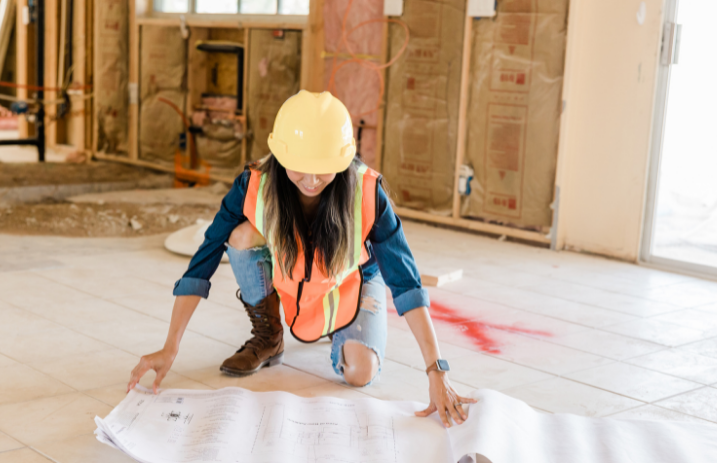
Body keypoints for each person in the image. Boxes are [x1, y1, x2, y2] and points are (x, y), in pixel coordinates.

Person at [127, 90, 475, 427]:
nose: (311, 180)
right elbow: (203, 261)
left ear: (342, 160)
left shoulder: (367, 192)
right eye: (299, 167)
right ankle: (269, 337)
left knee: (360, 372)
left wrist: (436, 370)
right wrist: (170, 346)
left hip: (351, 280)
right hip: (293, 278)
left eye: (323, 168)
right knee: (240, 234)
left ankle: (340, 325)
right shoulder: (254, 185)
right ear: (280, 155)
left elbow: (406, 282)